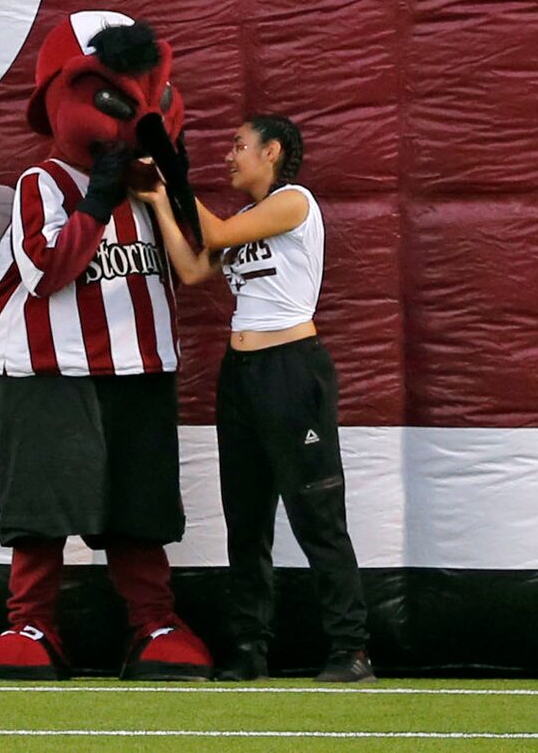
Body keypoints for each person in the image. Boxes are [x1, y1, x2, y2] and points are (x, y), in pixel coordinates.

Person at [0, 10, 214, 681]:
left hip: (140, 364)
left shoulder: (152, 191)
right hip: (44, 369)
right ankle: (31, 622)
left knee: (140, 506)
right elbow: (48, 268)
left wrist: (173, 183)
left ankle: (154, 622)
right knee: (41, 506)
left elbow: (198, 262)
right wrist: (102, 197)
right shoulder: (42, 184)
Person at [147, 113, 372, 684]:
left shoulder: (294, 202)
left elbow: (214, 235)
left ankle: (351, 650)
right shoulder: (246, 218)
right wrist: (156, 200)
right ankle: (250, 647)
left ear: (272, 152)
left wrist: (174, 173)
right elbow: (197, 268)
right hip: (242, 375)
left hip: (291, 372)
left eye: (239, 145)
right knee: (246, 521)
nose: (230, 155)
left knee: (317, 516)